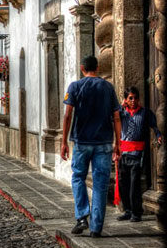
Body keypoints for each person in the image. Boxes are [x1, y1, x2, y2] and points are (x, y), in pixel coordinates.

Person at [60, 56, 121, 238]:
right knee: (100, 184)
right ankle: (96, 227)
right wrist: (118, 142)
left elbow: (68, 115)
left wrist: (64, 141)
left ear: (82, 68)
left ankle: (81, 217)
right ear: (98, 68)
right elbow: (116, 117)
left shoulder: (75, 87)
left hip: (81, 141)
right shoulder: (108, 87)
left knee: (78, 177)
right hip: (103, 143)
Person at [115, 86, 162, 222]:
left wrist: (158, 135)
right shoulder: (122, 114)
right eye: (130, 98)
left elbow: (154, 125)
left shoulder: (145, 113)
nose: (133, 100)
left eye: (135, 98)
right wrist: (121, 106)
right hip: (124, 154)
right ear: (126, 100)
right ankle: (128, 211)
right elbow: (110, 115)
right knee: (124, 184)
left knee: (134, 185)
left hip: (137, 154)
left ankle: (136, 212)